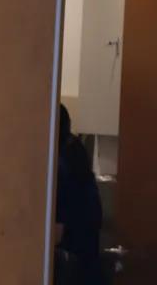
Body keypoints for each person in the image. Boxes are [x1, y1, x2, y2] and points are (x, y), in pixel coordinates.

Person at [54, 104, 105, 285]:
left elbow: (57, 231)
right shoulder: (74, 149)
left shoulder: (62, 163)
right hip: (85, 255)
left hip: (73, 257)